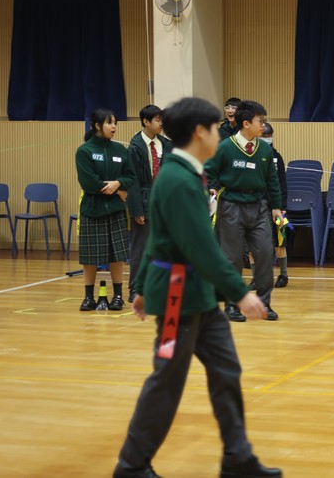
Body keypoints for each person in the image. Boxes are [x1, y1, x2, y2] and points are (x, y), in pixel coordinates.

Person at [113, 97, 280, 478]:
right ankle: (132, 465)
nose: (220, 135)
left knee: (226, 370)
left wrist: (141, 286)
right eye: (215, 129)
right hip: (176, 298)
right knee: (167, 379)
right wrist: (240, 292)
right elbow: (198, 247)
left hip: (200, 296)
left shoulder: (189, 173)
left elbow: (160, 236)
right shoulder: (177, 180)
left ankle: (237, 458)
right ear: (199, 133)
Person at [206, 101, 283, 322]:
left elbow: (272, 181)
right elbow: (208, 172)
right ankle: (232, 306)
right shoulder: (224, 147)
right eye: (261, 121)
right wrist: (210, 188)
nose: (264, 125)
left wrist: (276, 207)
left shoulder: (265, 150)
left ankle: (264, 303)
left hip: (258, 207)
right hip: (231, 206)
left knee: (265, 253)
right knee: (232, 259)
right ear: (246, 123)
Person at [75, 108, 136, 311]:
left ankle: (118, 296)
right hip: (93, 209)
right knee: (90, 257)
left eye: (115, 123)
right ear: (97, 125)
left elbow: (131, 176)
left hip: (116, 210)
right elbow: (89, 182)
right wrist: (115, 190)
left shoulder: (120, 150)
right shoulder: (84, 151)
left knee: (117, 255)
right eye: (110, 123)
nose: (114, 127)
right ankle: (88, 297)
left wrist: (118, 183)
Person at [126, 105, 173, 303]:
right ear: (146, 122)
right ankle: (135, 288)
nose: (162, 124)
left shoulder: (168, 145)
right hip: (145, 201)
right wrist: (137, 209)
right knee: (141, 247)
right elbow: (133, 181)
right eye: (158, 120)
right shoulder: (135, 146)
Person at [261, 121, 289, 288]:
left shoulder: (277, 157)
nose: (267, 138)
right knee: (255, 245)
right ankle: (257, 277)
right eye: (263, 136)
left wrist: (282, 206)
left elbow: (282, 184)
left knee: (280, 241)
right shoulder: (252, 155)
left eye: (269, 136)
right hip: (257, 205)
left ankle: (283, 274)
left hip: (276, 207)